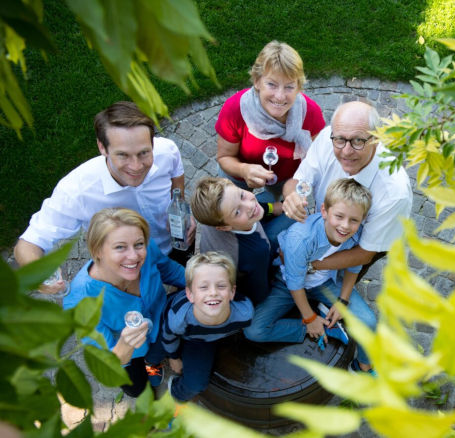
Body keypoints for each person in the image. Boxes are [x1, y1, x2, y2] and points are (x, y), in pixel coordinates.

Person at [14, 101, 195, 293]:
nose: (136, 166)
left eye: (144, 153)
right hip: (128, 266)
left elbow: (176, 173)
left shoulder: (167, 150)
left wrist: (180, 207)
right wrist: (40, 275)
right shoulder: (77, 190)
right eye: (123, 155)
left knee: (187, 285)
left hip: (177, 245)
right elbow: (28, 244)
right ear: (102, 147)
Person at [244, 179, 377, 374]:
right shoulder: (302, 238)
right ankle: (320, 325)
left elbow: (353, 266)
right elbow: (294, 282)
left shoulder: (358, 235)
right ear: (324, 211)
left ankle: (363, 367)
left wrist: (343, 300)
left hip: (324, 283)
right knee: (254, 330)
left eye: (354, 220)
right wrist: (309, 319)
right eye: (339, 216)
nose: (345, 226)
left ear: (362, 219)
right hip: (288, 284)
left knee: (369, 321)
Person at [63, 208, 186, 397]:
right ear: (97, 251)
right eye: (120, 247)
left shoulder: (148, 250)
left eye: (138, 244)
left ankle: (152, 364)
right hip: (129, 353)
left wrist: (201, 285)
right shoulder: (80, 301)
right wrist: (122, 350)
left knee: (157, 353)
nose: (134, 256)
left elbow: (169, 271)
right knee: (136, 389)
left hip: (161, 323)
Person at [215, 40, 326, 248]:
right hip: (240, 175)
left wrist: (292, 193)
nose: (280, 96)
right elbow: (224, 158)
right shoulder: (235, 109)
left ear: (299, 87)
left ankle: (264, 246)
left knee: (278, 231)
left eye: (289, 86)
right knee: (230, 217)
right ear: (257, 81)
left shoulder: (311, 115)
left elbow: (313, 165)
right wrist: (243, 169)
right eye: (272, 84)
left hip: (289, 180)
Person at [282, 100, 412, 276]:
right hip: (321, 227)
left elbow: (365, 253)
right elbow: (299, 182)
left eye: (358, 141)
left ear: (376, 139)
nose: (346, 151)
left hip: (361, 243)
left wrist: (309, 265)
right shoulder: (329, 137)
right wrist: (291, 196)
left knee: (341, 283)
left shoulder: (395, 193)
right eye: (340, 140)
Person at [161, 251, 254, 402]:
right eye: (204, 287)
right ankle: (176, 393)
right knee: (193, 384)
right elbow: (168, 337)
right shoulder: (179, 318)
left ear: (232, 292)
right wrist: (174, 357)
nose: (213, 293)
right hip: (191, 337)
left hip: (211, 337)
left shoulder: (245, 314)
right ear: (190, 294)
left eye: (221, 286)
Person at [191, 176, 281, 305]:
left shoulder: (216, 212)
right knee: (295, 214)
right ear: (224, 227)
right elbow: (259, 291)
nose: (250, 205)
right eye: (237, 212)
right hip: (249, 277)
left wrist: (272, 208)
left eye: (242, 195)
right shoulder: (254, 253)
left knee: (272, 197)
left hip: (245, 234)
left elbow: (248, 206)